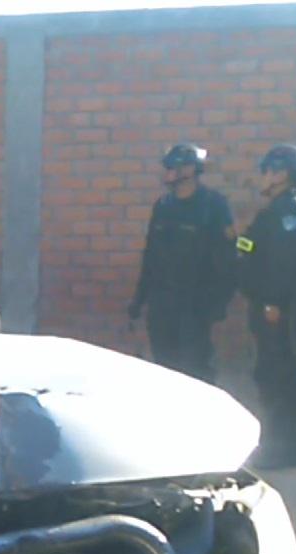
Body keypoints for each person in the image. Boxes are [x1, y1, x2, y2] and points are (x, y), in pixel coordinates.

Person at [236, 144, 296, 470]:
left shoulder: (290, 212)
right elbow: (256, 248)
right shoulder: (278, 209)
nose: (264, 177)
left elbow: (284, 264)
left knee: (279, 375)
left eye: (269, 171)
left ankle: (284, 448)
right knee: (271, 372)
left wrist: (273, 302)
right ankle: (279, 443)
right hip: (269, 303)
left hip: (278, 307)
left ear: (283, 173)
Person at [128, 143, 236, 384]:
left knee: (196, 371)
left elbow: (228, 259)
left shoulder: (213, 206)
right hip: (162, 303)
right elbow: (151, 256)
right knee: (165, 371)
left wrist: (217, 304)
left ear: (189, 170)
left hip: (195, 304)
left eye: (172, 168)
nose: (167, 174)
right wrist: (139, 299)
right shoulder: (163, 206)